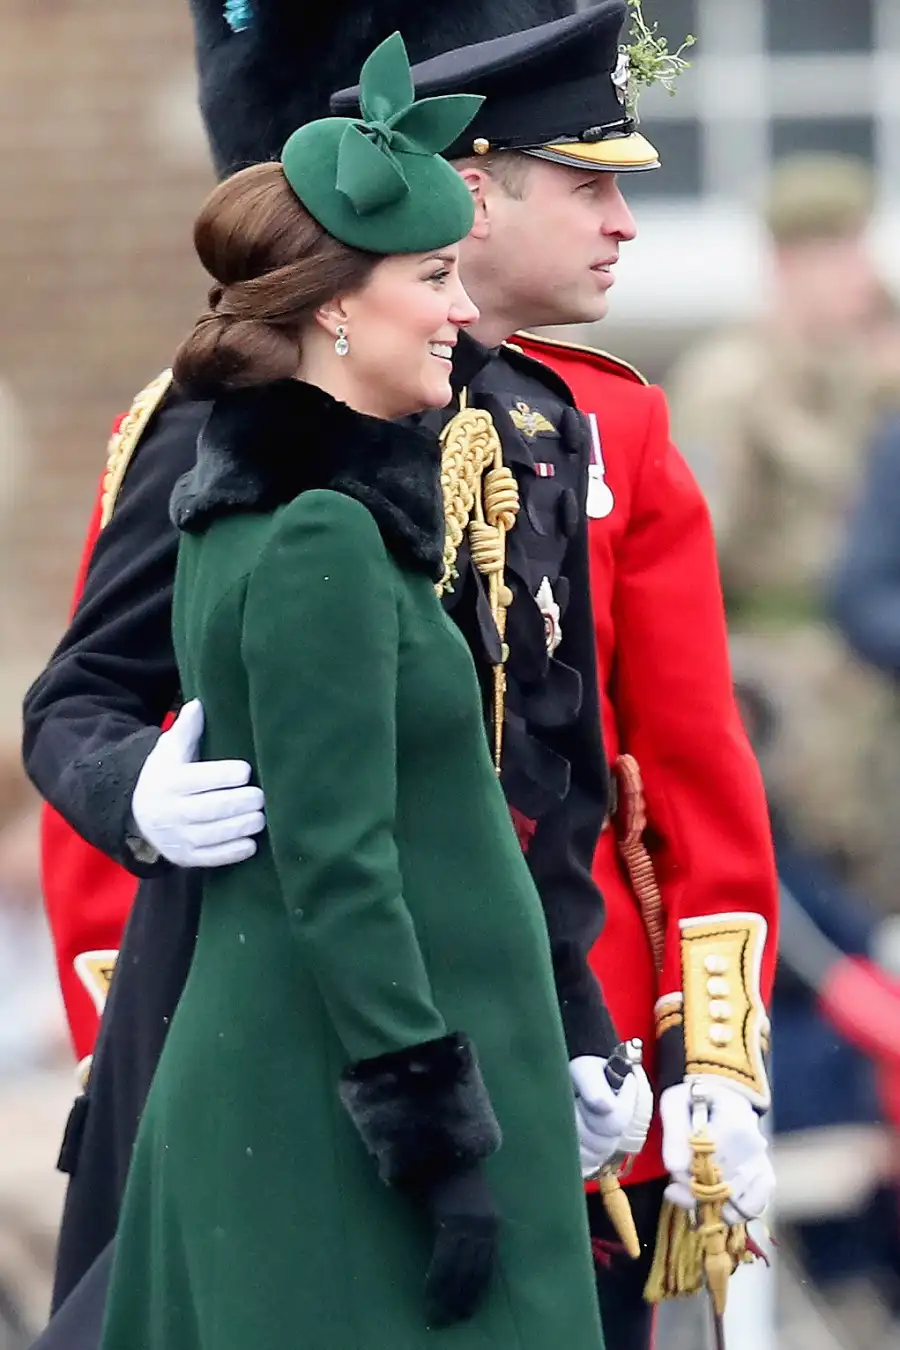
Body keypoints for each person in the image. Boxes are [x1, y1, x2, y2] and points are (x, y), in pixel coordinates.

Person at [26, 5, 776, 1349]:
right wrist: (141, 793)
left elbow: (610, 762)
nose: (622, 223)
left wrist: (670, 1042)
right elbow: (88, 699)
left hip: (541, 1030)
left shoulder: (572, 420)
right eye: (586, 181)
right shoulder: (231, 421)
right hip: (319, 1040)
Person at [96, 34, 608, 1349]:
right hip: (348, 1100)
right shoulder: (319, 531)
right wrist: (433, 1134)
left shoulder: (274, 507)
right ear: (335, 307)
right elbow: (339, 857)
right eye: (433, 277)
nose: (458, 308)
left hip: (342, 1068)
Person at [665, 152, 900, 912]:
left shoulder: (869, 376)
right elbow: (687, 552)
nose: (858, 271)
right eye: (838, 250)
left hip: (865, 689)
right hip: (777, 681)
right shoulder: (732, 382)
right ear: (787, 259)